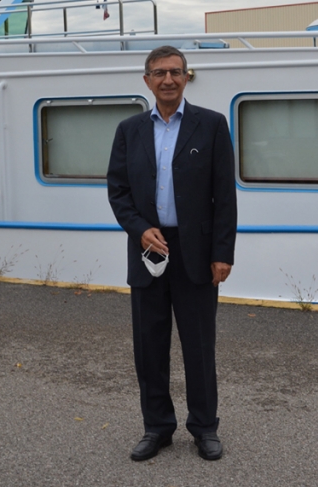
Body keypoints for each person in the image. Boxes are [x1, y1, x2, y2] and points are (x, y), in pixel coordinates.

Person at [106, 45, 237, 462]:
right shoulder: (129, 130)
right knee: (149, 345)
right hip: (148, 248)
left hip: (196, 252)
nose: (168, 79)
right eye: (159, 72)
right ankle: (157, 427)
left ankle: (204, 428)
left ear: (186, 78)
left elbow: (224, 196)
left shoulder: (212, 125)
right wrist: (141, 229)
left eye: (175, 72)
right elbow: (118, 191)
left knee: (199, 346)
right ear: (146, 80)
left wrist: (223, 253)